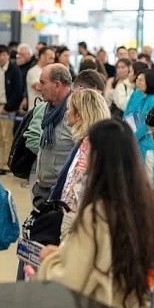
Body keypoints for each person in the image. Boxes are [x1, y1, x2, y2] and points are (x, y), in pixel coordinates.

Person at [36, 119, 154, 308]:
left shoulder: (97, 213)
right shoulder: (144, 208)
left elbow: (71, 279)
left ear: (100, 157)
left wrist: (51, 259)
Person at [59, 88, 110, 237]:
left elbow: (77, 186)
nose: (66, 112)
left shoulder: (89, 146)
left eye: (69, 109)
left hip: (75, 219)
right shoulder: (94, 142)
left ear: (80, 114)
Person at [28, 64, 74, 205]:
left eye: (43, 83)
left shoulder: (75, 114)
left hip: (61, 194)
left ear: (57, 85)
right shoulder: (47, 110)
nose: (38, 87)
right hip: (41, 188)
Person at [124, 69, 154, 188]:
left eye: (141, 80)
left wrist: (130, 138)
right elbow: (135, 118)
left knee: (149, 181)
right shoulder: (144, 98)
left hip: (149, 145)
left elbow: (146, 125)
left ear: (149, 82)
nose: (138, 82)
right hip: (139, 144)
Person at [0, 45, 23, 173]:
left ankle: (6, 165)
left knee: (7, 137)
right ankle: (0, 163)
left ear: (8, 56)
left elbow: (17, 91)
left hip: (7, 108)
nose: (2, 57)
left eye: (5, 55)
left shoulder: (14, 70)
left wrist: (8, 107)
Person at [25, 46, 54, 111]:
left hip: (46, 110)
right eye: (50, 58)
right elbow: (39, 88)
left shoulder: (51, 72)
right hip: (35, 111)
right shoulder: (33, 71)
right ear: (42, 56)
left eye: (53, 58)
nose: (52, 61)